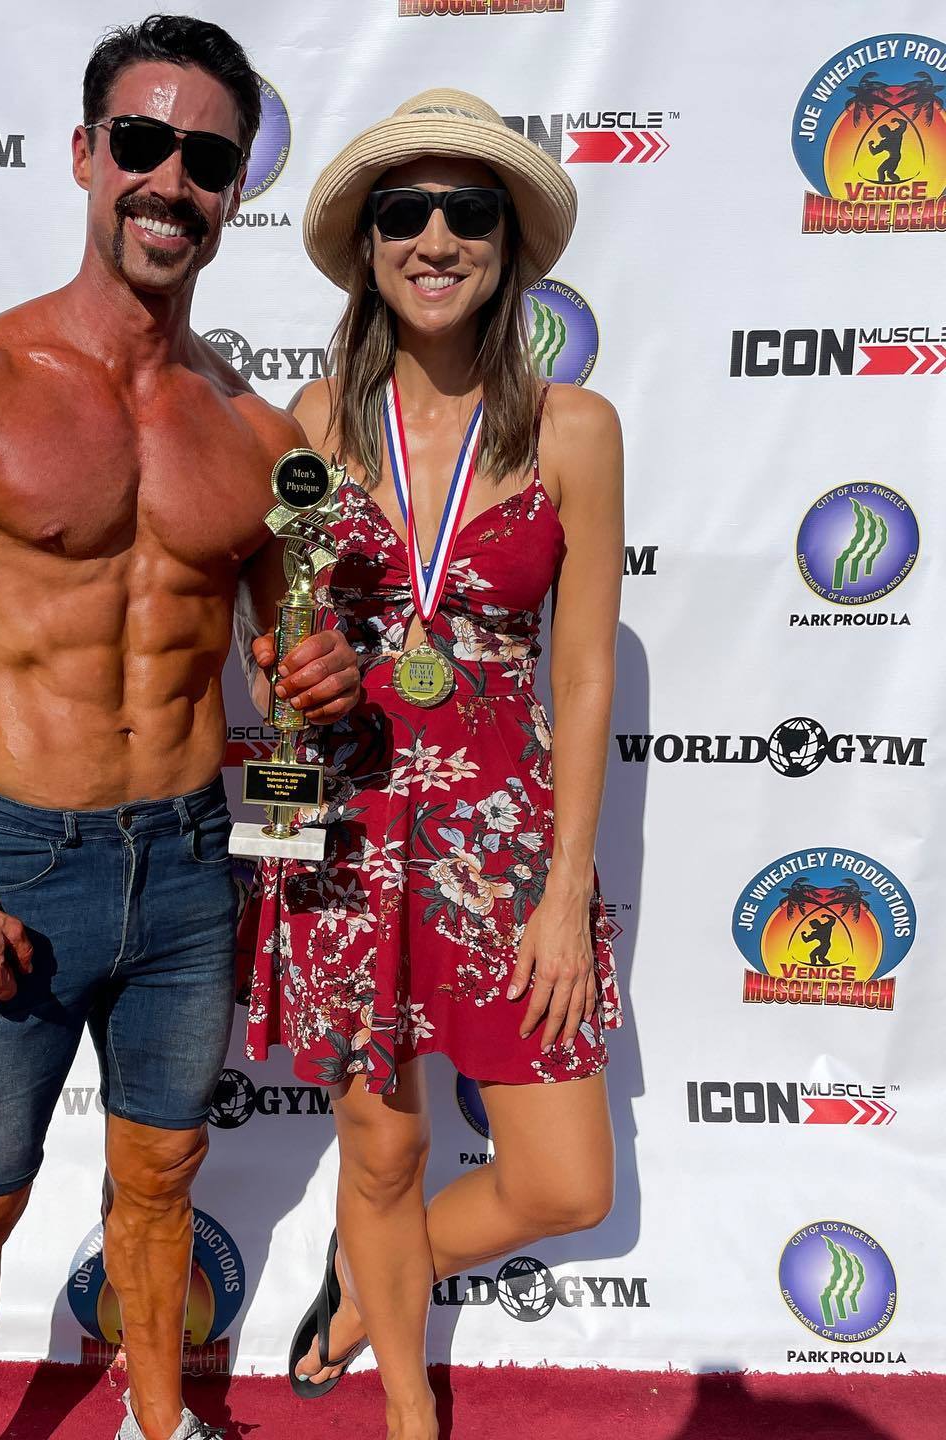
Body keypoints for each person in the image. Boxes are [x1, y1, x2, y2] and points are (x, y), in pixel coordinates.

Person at [0, 17, 360, 1440]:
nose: (170, 181)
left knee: (163, 1177)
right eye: (142, 142)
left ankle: (157, 1421)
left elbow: (287, 663)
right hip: (17, 863)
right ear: (86, 154)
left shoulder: (256, 434)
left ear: (234, 189)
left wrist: (319, 679)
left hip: (189, 865)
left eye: (207, 159)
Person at [237, 90, 625, 1440]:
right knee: (383, 1147)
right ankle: (408, 1407)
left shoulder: (575, 430)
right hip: (347, 829)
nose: (437, 238)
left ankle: (367, 1282)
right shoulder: (310, 422)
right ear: (368, 246)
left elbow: (583, 674)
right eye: (406, 212)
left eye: (470, 212)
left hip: (503, 846)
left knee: (565, 1182)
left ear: (508, 246)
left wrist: (567, 887)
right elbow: (273, 640)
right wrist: (288, 670)